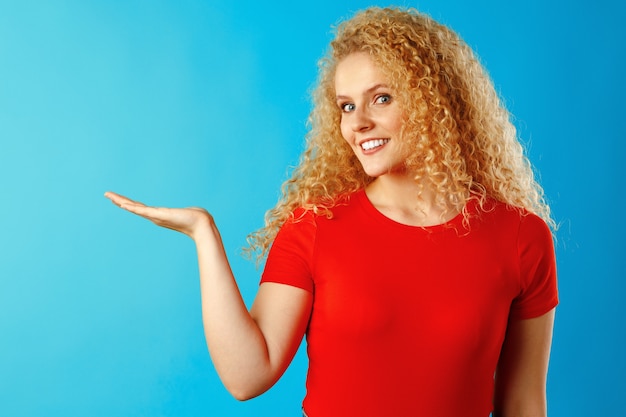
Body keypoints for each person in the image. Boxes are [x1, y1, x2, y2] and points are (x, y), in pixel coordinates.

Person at [105, 6, 558, 417]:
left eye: (382, 98)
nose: (358, 122)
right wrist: (203, 234)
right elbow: (247, 376)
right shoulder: (315, 228)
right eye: (346, 106)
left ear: (433, 99)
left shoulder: (521, 237)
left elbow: (522, 402)